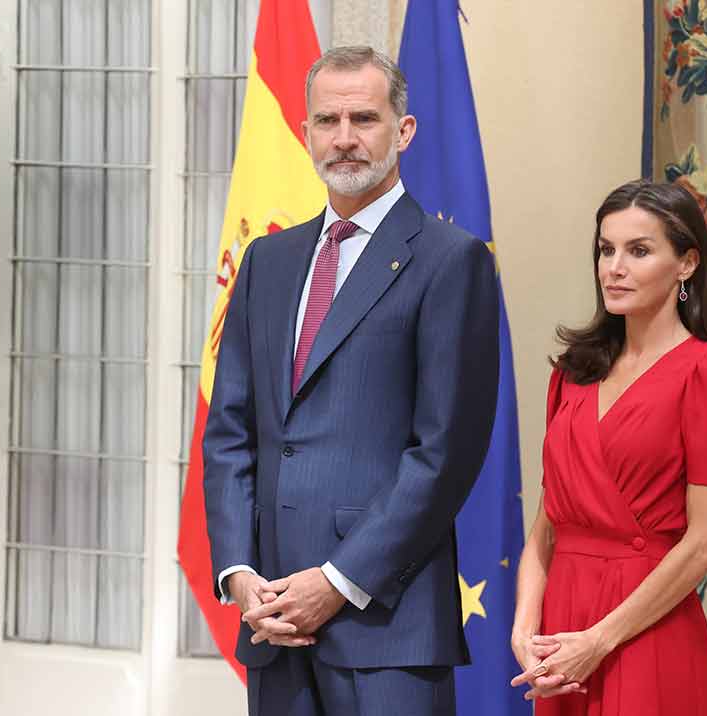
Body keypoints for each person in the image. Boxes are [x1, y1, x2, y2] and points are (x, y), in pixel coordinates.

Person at [203, 46, 500, 716]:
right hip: (274, 622)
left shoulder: (451, 262)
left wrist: (338, 581)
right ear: (305, 132)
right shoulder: (267, 262)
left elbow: (444, 455)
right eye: (327, 120)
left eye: (363, 118)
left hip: (386, 629)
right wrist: (240, 574)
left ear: (404, 130)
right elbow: (230, 434)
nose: (343, 138)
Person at [509, 180, 707, 714]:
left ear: (687, 263)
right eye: (606, 249)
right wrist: (526, 626)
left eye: (638, 251)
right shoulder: (573, 372)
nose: (613, 267)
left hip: (645, 630)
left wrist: (599, 639)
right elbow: (547, 526)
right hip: (562, 634)